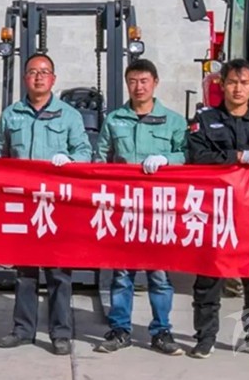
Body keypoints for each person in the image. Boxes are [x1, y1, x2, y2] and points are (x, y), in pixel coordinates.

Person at [0, 53, 93, 356]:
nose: (38, 77)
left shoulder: (69, 116)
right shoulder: (11, 115)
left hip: (56, 205)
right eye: (33, 72)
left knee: (58, 272)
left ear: (53, 79)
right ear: (25, 78)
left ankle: (61, 333)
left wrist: (70, 160)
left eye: (44, 72)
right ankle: (23, 330)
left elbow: (85, 152)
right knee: (25, 272)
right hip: (22, 203)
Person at [186, 59, 249, 360]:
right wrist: (236, 156)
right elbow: (197, 156)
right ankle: (205, 337)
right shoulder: (205, 120)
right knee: (208, 279)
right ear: (222, 85)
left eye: (244, 83)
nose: (237, 89)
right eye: (232, 82)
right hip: (215, 215)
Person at [93, 58, 186, 356]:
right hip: (124, 208)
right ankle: (120, 330)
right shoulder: (114, 120)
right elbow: (100, 159)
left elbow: (187, 155)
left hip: (158, 209)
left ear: (155, 83)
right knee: (122, 274)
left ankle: (162, 331)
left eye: (144, 81)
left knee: (159, 274)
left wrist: (167, 159)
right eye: (133, 81)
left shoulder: (173, 121)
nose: (139, 87)